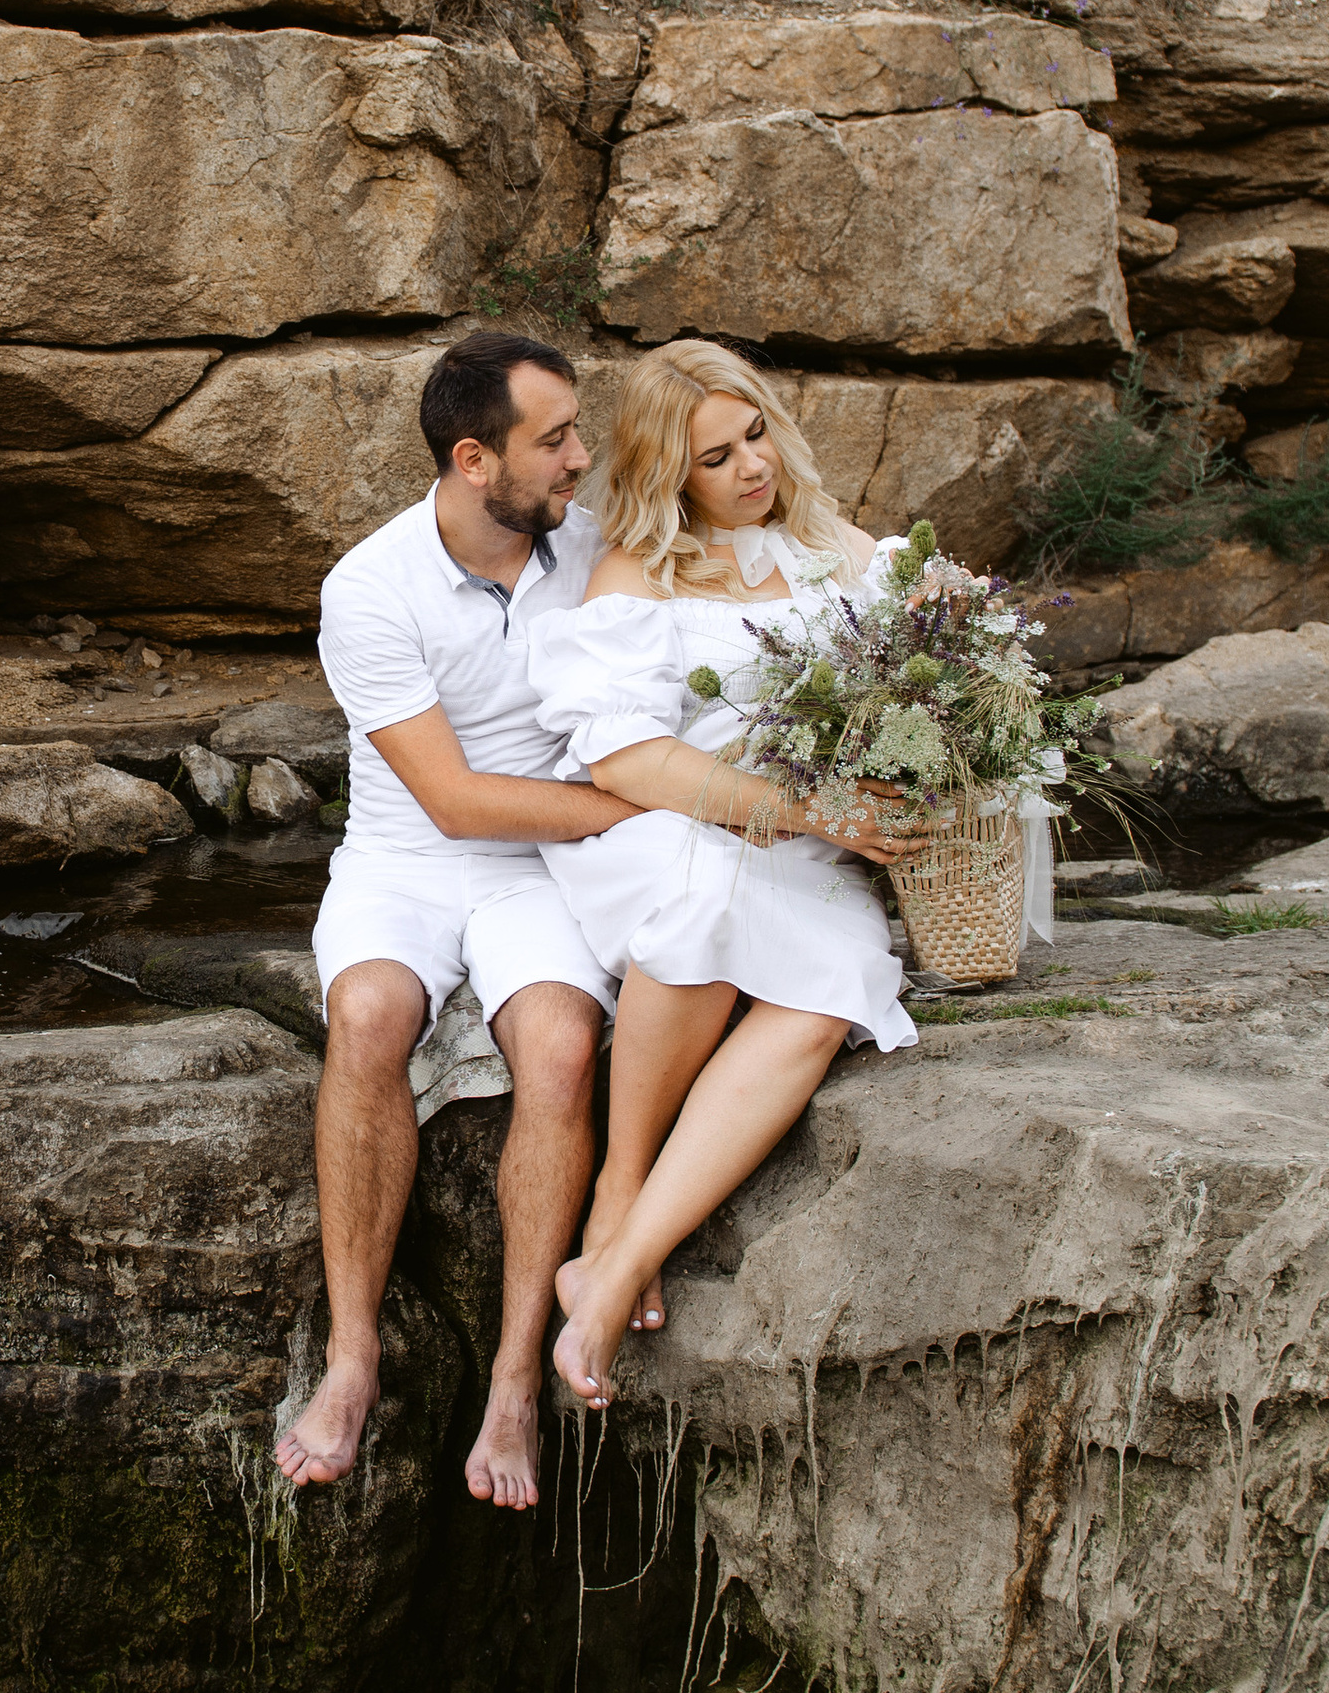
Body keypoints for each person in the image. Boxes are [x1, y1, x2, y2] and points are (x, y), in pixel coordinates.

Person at [523, 338, 921, 1421]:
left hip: (814, 845)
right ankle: (615, 1187)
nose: (750, 467)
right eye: (714, 457)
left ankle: (610, 1268)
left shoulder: (833, 546)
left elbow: (927, 666)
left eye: (754, 435)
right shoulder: (636, 573)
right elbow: (624, 759)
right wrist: (793, 807)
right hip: (680, 824)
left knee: (833, 988)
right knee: (700, 903)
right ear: (667, 473)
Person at [275, 330, 636, 1508]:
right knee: (369, 1014)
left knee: (561, 1046)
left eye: (576, 431)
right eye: (555, 440)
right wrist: (624, 804)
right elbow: (450, 797)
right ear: (475, 459)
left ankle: (515, 1381)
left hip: (543, 868)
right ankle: (352, 1356)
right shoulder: (368, 587)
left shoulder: (590, 548)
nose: (581, 458)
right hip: (407, 857)